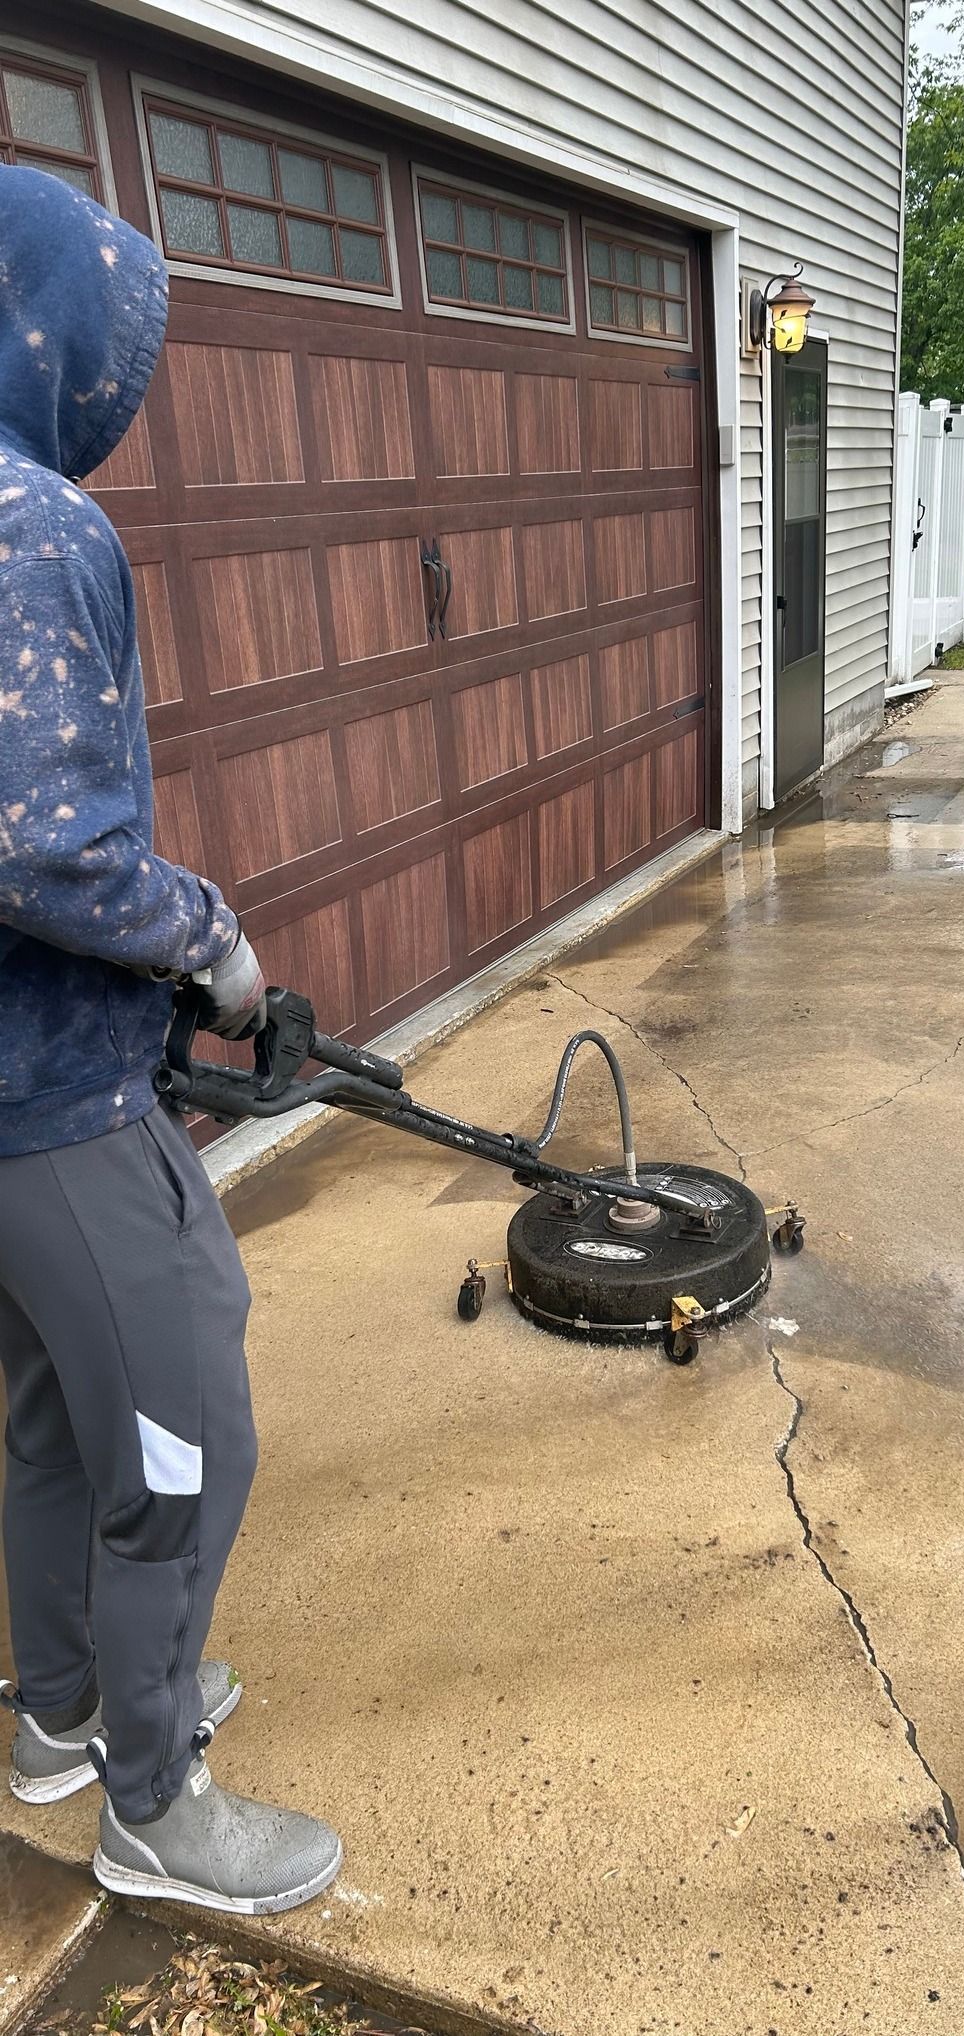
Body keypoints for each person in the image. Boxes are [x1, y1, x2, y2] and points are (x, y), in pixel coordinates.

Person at [0, 166, 341, 1915]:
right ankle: (153, 1805)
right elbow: (43, 845)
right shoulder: (31, 524)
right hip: (49, 1094)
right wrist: (212, 945)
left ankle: (60, 1715)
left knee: (60, 1415)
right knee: (189, 1427)